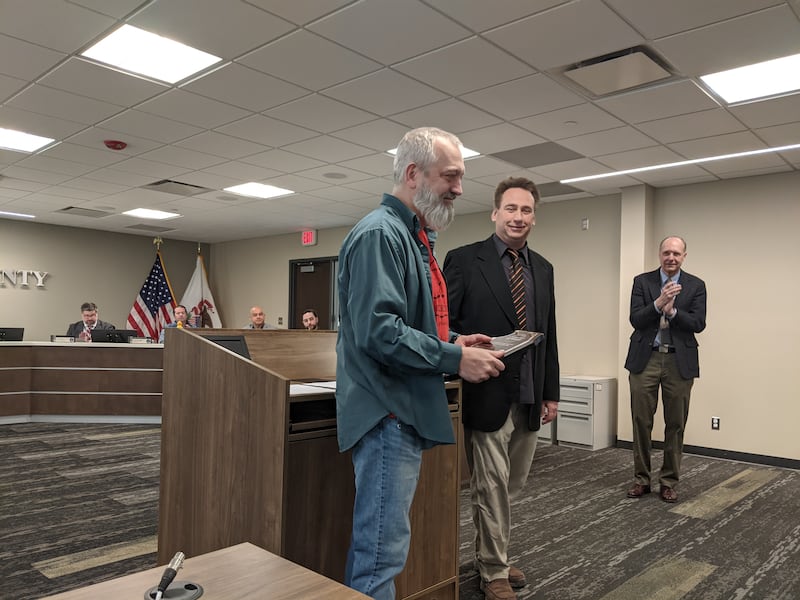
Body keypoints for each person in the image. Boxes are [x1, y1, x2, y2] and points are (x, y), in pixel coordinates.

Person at [336, 126, 506, 600]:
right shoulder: (379, 234)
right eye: (450, 176)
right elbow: (379, 332)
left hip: (403, 408)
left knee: (383, 549)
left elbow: (407, 317)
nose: (458, 188)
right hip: (387, 412)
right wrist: (454, 357)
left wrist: (453, 338)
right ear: (413, 174)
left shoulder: (413, 234)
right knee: (379, 558)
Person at [444, 177, 560, 600]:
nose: (518, 217)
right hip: (487, 390)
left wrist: (551, 391)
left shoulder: (543, 268)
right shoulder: (462, 260)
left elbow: (550, 334)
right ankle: (493, 569)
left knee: (509, 487)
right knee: (490, 485)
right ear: (495, 212)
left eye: (526, 210)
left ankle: (491, 553)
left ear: (534, 217)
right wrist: (463, 343)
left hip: (529, 392)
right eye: (511, 208)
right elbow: (444, 327)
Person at [624, 236, 707, 503]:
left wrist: (672, 313)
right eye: (666, 252)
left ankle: (669, 481)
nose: (671, 257)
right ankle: (641, 479)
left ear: (684, 256)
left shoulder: (696, 285)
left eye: (676, 253)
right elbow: (635, 319)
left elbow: (698, 323)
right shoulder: (642, 282)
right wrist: (658, 304)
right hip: (645, 358)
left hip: (678, 361)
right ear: (660, 255)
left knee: (675, 424)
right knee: (640, 422)